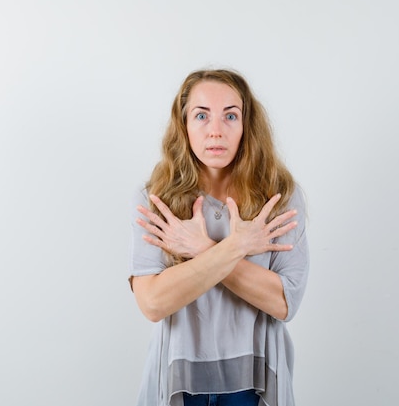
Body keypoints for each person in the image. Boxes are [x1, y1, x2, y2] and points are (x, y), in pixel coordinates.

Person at [129, 69, 309, 406]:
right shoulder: (157, 198)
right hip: (179, 381)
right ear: (183, 125)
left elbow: (284, 302)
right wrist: (237, 246)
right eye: (201, 115)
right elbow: (152, 303)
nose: (216, 131)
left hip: (254, 384)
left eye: (230, 115)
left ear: (246, 126)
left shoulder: (279, 196)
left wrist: (202, 249)